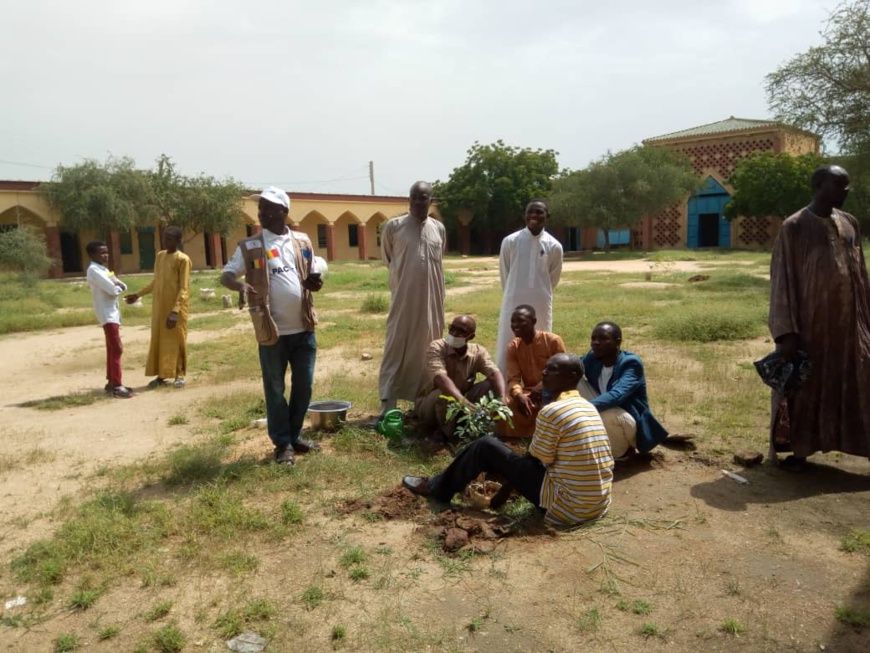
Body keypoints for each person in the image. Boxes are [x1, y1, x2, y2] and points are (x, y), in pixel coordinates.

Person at [403, 353, 614, 528]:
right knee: (503, 453)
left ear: (573, 376)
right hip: (596, 504)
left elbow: (536, 460)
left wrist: (503, 492)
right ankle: (442, 483)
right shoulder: (588, 407)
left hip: (569, 509)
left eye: (553, 370)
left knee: (485, 446)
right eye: (546, 368)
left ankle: (436, 488)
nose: (544, 373)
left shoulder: (553, 411)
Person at [768, 164, 870, 470]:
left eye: (847, 185)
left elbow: (861, 274)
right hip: (810, 328)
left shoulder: (850, 223)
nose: (845, 191)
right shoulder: (795, 226)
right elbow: (782, 280)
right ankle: (799, 452)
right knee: (804, 388)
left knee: (860, 380)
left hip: (851, 328)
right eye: (840, 185)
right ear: (819, 186)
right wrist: (786, 331)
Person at [220, 186, 324, 465]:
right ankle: (282, 444)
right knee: (275, 389)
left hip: (303, 328)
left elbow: (312, 275)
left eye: (268, 207)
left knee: (304, 386)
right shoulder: (252, 245)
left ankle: (295, 435)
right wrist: (240, 284)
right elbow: (226, 275)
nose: (262, 212)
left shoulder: (302, 242)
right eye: (260, 208)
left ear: (283, 212)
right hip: (271, 331)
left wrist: (316, 282)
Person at [378, 181, 446, 416]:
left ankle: (423, 405)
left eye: (423, 197)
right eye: (414, 197)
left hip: (432, 303)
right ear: (408, 199)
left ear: (431, 200)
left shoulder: (439, 229)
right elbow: (389, 260)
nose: (418, 201)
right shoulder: (393, 227)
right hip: (403, 301)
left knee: (430, 347)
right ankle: (388, 406)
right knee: (396, 347)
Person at [578, 321, 668, 459]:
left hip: (627, 419)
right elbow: (570, 368)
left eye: (603, 339)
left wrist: (579, 409)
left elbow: (616, 395)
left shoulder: (631, 363)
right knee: (570, 377)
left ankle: (623, 452)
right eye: (593, 338)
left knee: (609, 413)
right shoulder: (593, 357)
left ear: (617, 342)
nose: (595, 343)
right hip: (604, 408)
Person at [495, 199, 563, 374]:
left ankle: (539, 382)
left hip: (540, 302)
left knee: (540, 339)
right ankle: (505, 383)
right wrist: (512, 292)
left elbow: (552, 278)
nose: (534, 216)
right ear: (524, 215)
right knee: (508, 338)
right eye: (530, 212)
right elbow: (505, 273)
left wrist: (540, 292)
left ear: (547, 216)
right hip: (513, 299)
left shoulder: (554, 246)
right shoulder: (510, 241)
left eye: (539, 212)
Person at [415, 315, 507, 442]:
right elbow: (440, 378)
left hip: (460, 404)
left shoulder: (477, 352)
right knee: (446, 392)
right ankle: (446, 433)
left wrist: (502, 398)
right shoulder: (437, 347)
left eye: (461, 331)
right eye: (452, 328)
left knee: (490, 385)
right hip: (430, 406)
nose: (454, 333)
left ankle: (469, 425)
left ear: (471, 336)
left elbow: (494, 373)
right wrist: (463, 402)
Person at [125, 226, 191, 388]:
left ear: (178, 240)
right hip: (159, 308)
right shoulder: (160, 256)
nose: (166, 241)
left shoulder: (183, 259)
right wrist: (138, 294)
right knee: (160, 341)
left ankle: (179, 375)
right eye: (164, 238)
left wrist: (175, 311)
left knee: (177, 340)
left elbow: (184, 288)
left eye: (170, 238)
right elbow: (156, 282)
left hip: (176, 310)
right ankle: (162, 375)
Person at [501, 305, 566, 437]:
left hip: (555, 390)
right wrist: (519, 395)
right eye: (513, 321)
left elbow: (562, 371)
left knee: (553, 408)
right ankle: (516, 438)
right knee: (505, 406)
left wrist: (542, 387)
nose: (515, 325)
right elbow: (513, 378)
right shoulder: (513, 346)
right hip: (529, 392)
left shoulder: (553, 341)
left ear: (534, 321)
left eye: (521, 321)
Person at [85, 241, 132, 399]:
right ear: (92, 255)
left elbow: (120, 284)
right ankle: (117, 386)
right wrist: (118, 287)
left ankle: (112, 382)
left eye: (106, 252)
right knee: (116, 348)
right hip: (107, 314)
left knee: (113, 348)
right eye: (101, 253)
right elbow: (113, 289)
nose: (105, 255)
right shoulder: (94, 271)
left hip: (113, 313)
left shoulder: (104, 269)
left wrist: (118, 286)